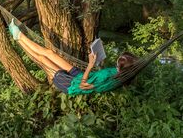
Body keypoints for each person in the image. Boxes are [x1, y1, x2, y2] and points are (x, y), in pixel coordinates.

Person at [9, 19, 138, 95]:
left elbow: (83, 86)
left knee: (42, 59)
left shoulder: (110, 77)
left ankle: (19, 38)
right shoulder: (118, 75)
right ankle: (18, 35)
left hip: (70, 84)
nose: (118, 58)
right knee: (49, 53)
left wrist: (91, 64)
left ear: (121, 63)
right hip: (78, 76)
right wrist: (100, 62)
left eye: (120, 58)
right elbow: (98, 79)